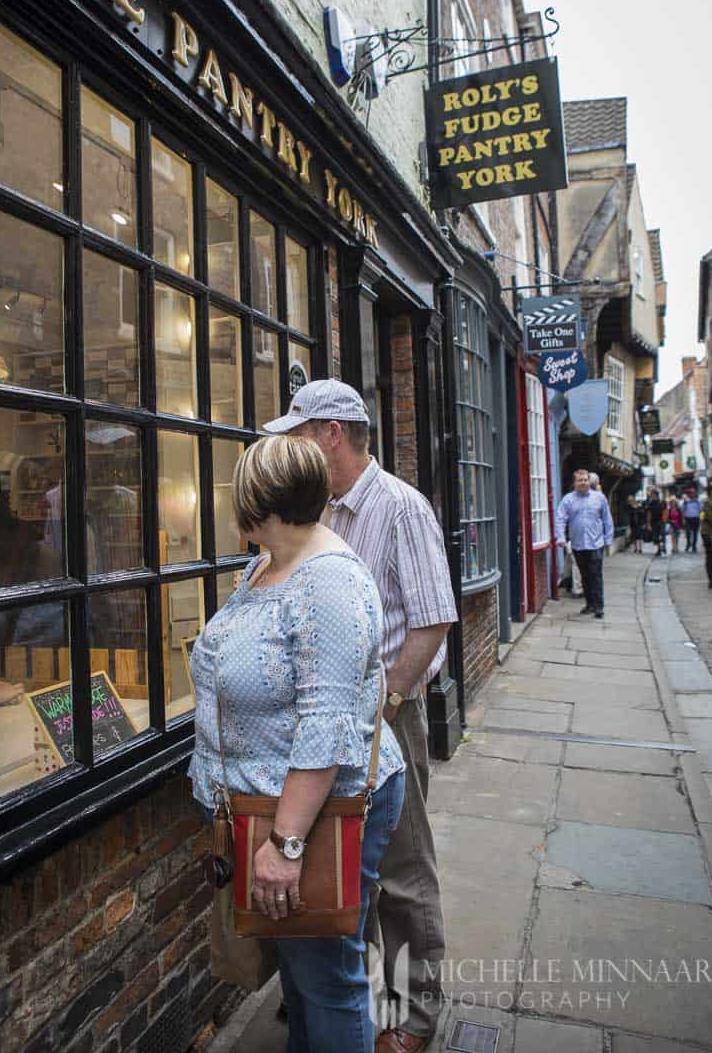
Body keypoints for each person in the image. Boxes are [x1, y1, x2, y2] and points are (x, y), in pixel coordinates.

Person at [188, 435, 406, 1053]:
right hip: (264, 810)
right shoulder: (265, 564)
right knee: (305, 982)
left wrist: (284, 846)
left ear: (261, 500)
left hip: (313, 817)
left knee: (327, 981)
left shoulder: (327, 584)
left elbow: (326, 727)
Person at [264, 380, 457, 1053]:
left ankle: (411, 1018)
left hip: (385, 719)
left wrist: (389, 700)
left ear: (331, 435)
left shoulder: (400, 507)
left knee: (402, 874)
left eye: (297, 432)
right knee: (346, 870)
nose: (290, 445)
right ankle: (347, 994)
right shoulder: (313, 513)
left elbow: (432, 622)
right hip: (321, 725)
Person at [556, 468, 615, 619]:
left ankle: (599, 606)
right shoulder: (568, 499)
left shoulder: (599, 498)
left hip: (596, 543)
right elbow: (560, 518)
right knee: (584, 576)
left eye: (585, 480)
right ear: (574, 483)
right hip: (578, 544)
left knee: (595, 574)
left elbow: (607, 520)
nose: (582, 483)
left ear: (589, 482)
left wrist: (608, 539)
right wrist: (561, 537)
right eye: (579, 480)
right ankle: (589, 604)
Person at [646, 488, 668, 557]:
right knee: (655, 537)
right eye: (651, 494)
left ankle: (663, 549)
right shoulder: (651, 503)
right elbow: (649, 514)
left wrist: (664, 521)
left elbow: (665, 511)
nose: (651, 496)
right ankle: (659, 549)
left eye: (652, 494)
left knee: (662, 536)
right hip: (654, 522)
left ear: (655, 495)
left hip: (661, 522)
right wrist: (648, 523)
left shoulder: (662, 502)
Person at [682, 487, 701, 552]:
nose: (692, 494)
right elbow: (683, 510)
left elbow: (700, 510)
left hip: (696, 518)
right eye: (691, 493)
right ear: (689, 494)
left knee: (695, 533)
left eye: (693, 493)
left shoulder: (697, 501)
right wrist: (683, 519)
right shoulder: (686, 501)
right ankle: (688, 544)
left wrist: (700, 518)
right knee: (688, 532)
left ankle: (694, 546)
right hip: (688, 518)